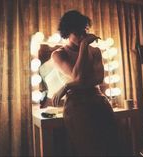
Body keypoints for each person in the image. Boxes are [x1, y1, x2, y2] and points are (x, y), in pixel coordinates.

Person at [51, 10, 121, 156]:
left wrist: (67, 86)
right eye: (77, 33)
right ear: (67, 32)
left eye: (83, 32)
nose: (82, 37)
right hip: (77, 105)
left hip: (98, 100)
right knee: (88, 149)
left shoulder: (95, 51)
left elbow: (99, 79)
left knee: (112, 146)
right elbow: (77, 76)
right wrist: (83, 47)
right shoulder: (59, 54)